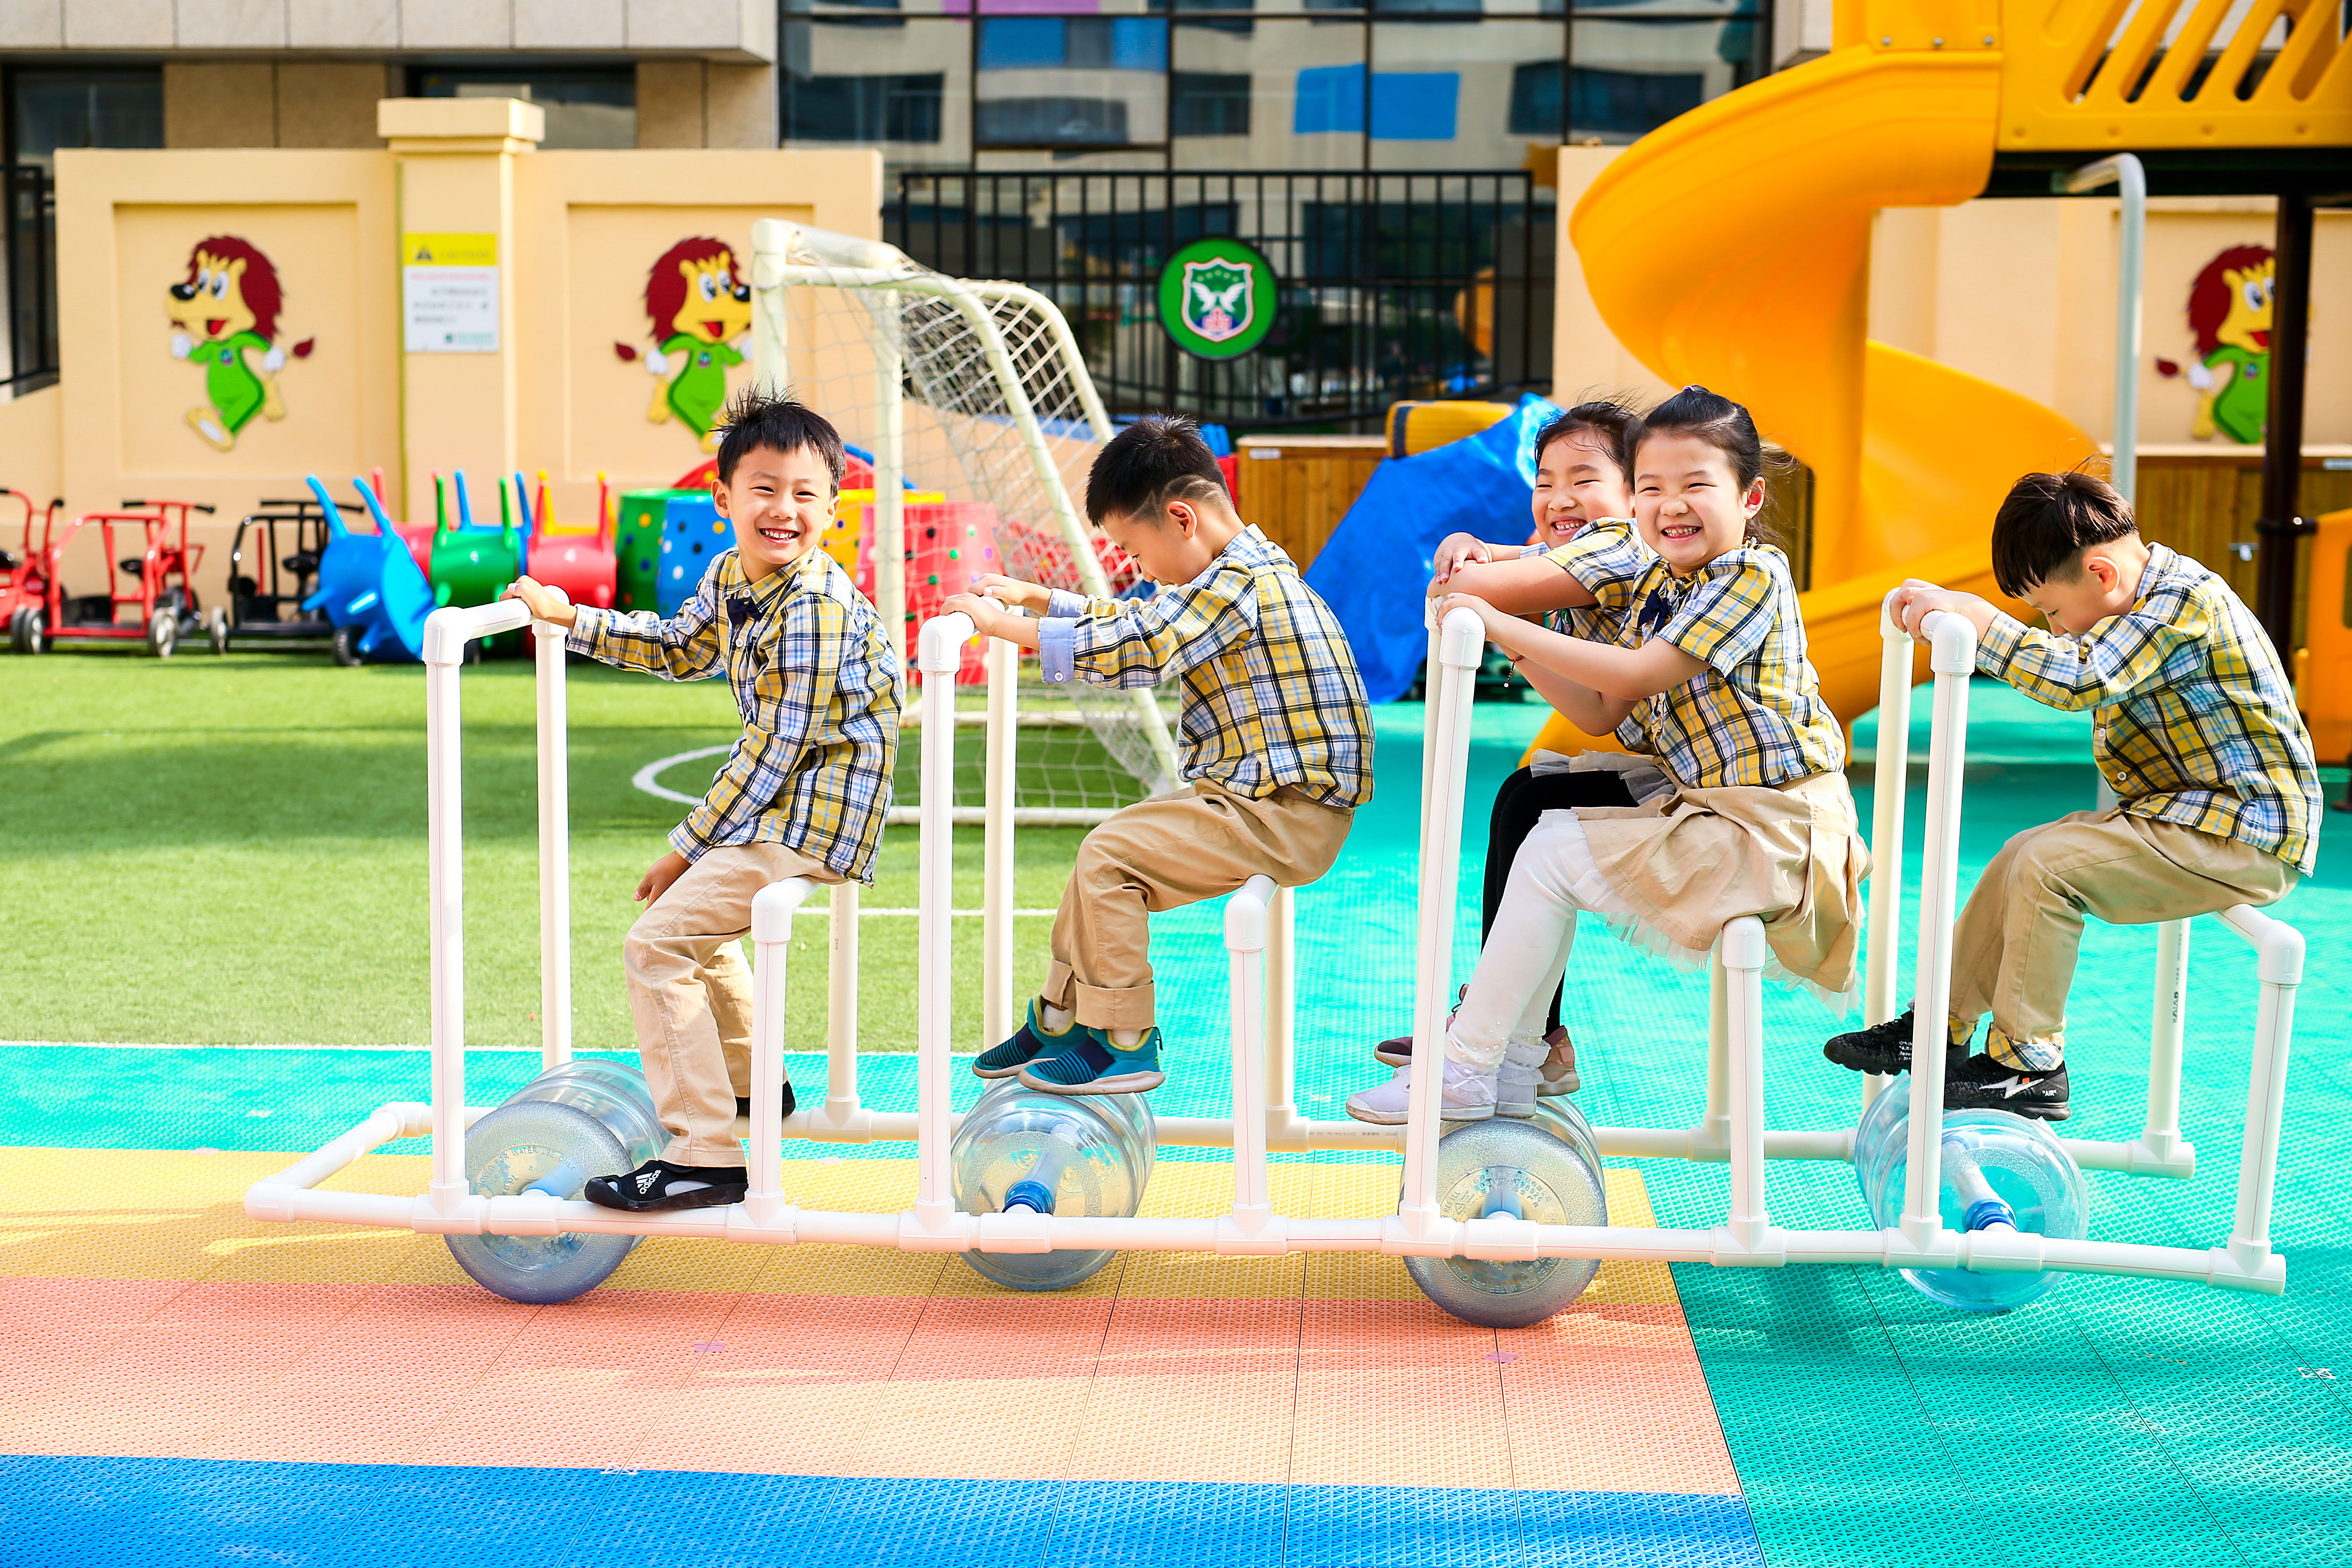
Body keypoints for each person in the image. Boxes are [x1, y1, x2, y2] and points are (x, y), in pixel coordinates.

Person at [1347, 385, 1866, 1123]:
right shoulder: (1666, 581)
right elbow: (1600, 710)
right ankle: (1516, 1057)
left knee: (1553, 846)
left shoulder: (1752, 578)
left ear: (1750, 498)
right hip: (1719, 806)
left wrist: (1496, 611)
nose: (1671, 505)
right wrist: (1505, 632)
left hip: (1776, 830)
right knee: (1537, 807)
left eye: (1696, 487)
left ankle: (1467, 1070)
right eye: (1655, 487)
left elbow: (1633, 675)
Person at [502, 391, 900, 1209]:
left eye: (803, 494)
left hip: (816, 812)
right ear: (723, 499)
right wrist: (568, 618)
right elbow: (680, 648)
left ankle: (705, 1155)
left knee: (655, 946)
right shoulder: (732, 575)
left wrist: (686, 845)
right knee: (691, 922)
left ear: (833, 506)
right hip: (780, 807)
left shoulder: (815, 606)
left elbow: (774, 749)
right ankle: (754, 1084)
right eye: (763, 488)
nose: (782, 510)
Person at [1822, 470, 2319, 1120]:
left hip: (2246, 833)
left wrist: (1984, 624)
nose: (2054, 629)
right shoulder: (2141, 596)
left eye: (2053, 611)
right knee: (2022, 850)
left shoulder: (2182, 601)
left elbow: (2079, 679)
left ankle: (2030, 1066)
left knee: (2048, 867)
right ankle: (1939, 1028)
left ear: (2103, 575)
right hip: (2182, 819)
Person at [939, 415, 1372, 1094]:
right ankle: (1061, 1018)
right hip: (1261, 800)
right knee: (1102, 854)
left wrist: (1007, 628)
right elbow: (1141, 621)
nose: (1139, 571)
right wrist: (1042, 599)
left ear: (1180, 519)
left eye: (1135, 553)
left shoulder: (1243, 586)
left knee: (1111, 855)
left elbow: (1143, 647)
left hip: (1286, 813)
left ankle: (1125, 1039)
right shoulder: (1239, 575)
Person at [1367, 399, 1642, 1095]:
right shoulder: (1584, 556)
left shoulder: (1624, 547)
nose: (1559, 498)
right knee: (1527, 795)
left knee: (1532, 809)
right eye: (1545, 481)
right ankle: (1537, 1034)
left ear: (1640, 496)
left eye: (1584, 478)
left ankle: (1499, 1036)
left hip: (1704, 786)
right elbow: (1597, 712)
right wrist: (1468, 545)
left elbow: (1473, 580)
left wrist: (1473, 581)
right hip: (1669, 767)